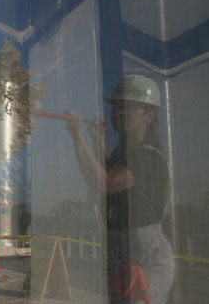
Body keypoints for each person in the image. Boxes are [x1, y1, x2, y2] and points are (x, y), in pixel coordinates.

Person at [65, 75, 174, 304]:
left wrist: (77, 137)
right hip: (125, 247)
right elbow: (107, 171)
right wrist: (96, 140)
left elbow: (106, 183)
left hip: (144, 252)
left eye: (130, 107)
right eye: (117, 107)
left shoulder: (147, 154)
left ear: (149, 116)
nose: (120, 112)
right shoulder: (126, 153)